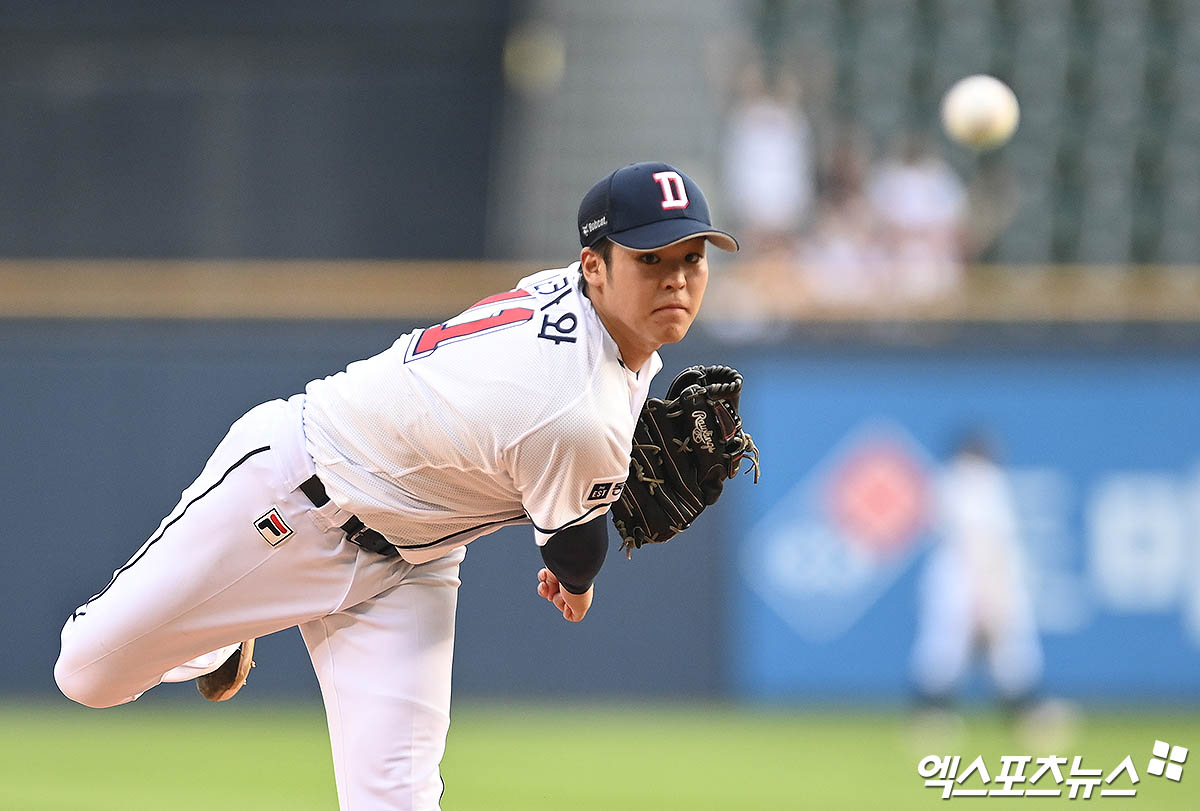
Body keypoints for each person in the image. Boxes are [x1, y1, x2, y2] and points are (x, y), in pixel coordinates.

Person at [54, 161, 739, 810]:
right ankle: (220, 630)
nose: (676, 279)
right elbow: (573, 557)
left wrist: (589, 486)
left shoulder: (594, 317)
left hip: (413, 562)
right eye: (650, 259)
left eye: (691, 257)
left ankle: (232, 613)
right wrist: (578, 578)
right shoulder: (578, 409)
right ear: (595, 265)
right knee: (87, 675)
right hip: (293, 494)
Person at [910, 431, 1043, 712]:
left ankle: (931, 717)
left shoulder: (949, 481)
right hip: (969, 577)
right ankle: (933, 716)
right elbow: (979, 541)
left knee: (957, 652)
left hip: (960, 575)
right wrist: (988, 594)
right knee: (981, 650)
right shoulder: (977, 481)